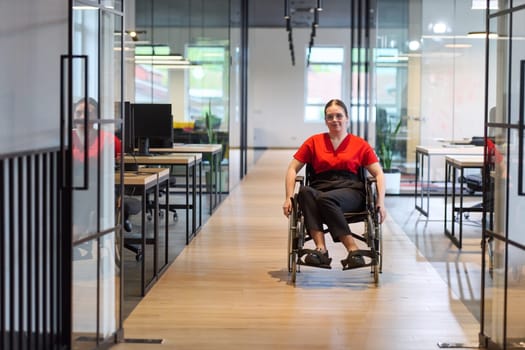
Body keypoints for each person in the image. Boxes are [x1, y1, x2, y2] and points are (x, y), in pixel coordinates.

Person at [282, 99, 386, 270]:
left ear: (347, 118)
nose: (335, 120)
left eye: (339, 115)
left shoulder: (360, 144)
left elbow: (378, 173)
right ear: (325, 120)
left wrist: (380, 202)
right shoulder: (314, 142)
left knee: (325, 199)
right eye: (330, 116)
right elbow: (292, 168)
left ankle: (353, 249)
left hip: (351, 191)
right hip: (320, 188)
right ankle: (321, 250)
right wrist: (288, 197)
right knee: (305, 193)